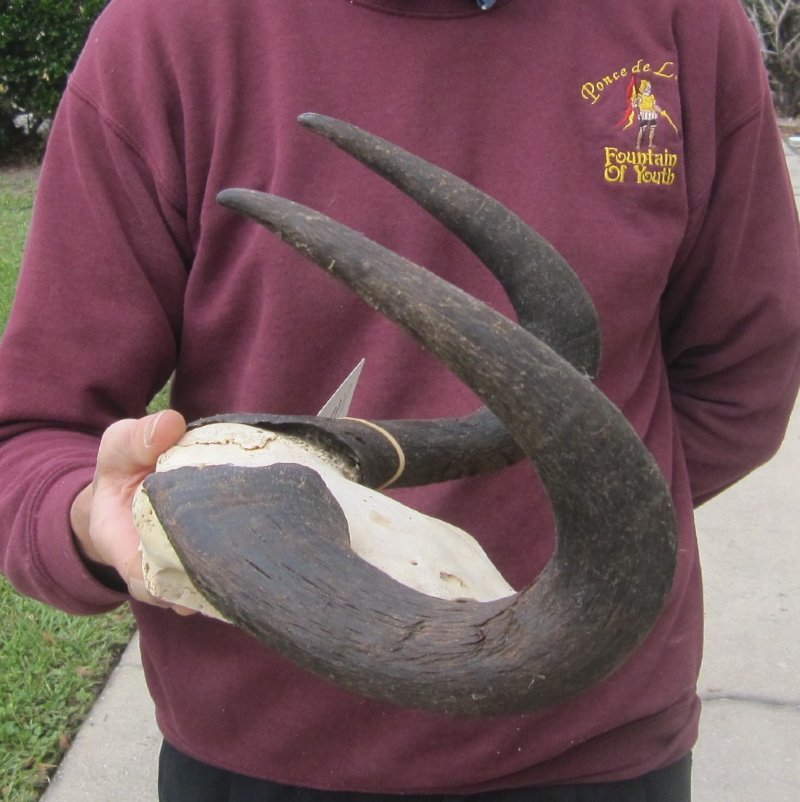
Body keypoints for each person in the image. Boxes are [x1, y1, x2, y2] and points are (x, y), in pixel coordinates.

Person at [1, 0, 799, 799]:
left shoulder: (682, 22)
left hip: (595, 751)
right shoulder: (167, 34)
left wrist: (591, 528)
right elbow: (34, 434)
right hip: (264, 754)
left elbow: (740, 381)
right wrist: (95, 518)